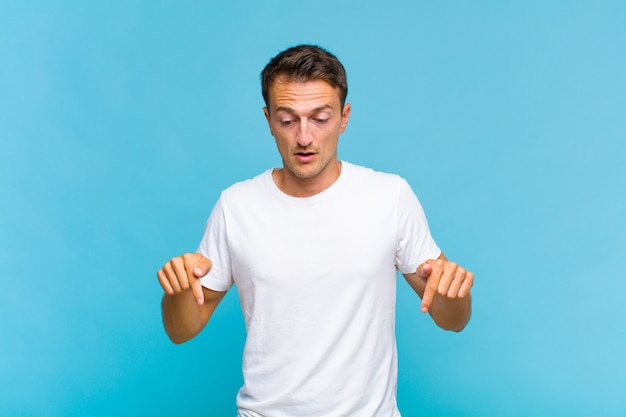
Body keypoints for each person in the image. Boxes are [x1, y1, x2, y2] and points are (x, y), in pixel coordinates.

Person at [157, 45, 473, 417]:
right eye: (288, 120)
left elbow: (452, 320)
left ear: (344, 117)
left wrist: (455, 292)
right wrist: (178, 292)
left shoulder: (390, 196)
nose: (304, 137)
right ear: (268, 120)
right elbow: (181, 330)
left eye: (320, 118)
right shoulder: (236, 206)